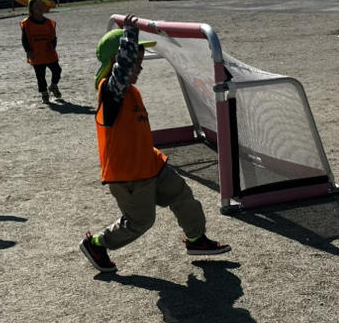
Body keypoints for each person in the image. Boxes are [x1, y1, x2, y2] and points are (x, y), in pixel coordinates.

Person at [79, 16, 231, 273]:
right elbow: (123, 70)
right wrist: (130, 32)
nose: (140, 67)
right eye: (136, 62)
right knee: (140, 222)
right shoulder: (109, 92)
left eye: (139, 62)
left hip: (151, 163)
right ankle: (96, 244)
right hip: (128, 175)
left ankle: (196, 240)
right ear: (117, 62)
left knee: (184, 197)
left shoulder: (132, 92)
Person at [20, 0, 63, 104]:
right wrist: (28, 51)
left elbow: (53, 37)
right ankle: (44, 93)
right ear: (31, 8)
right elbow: (24, 39)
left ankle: (53, 86)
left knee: (57, 71)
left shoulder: (49, 23)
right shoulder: (27, 23)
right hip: (36, 54)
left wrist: (53, 45)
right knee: (40, 76)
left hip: (49, 53)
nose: (39, 8)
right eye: (36, 6)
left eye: (41, 6)